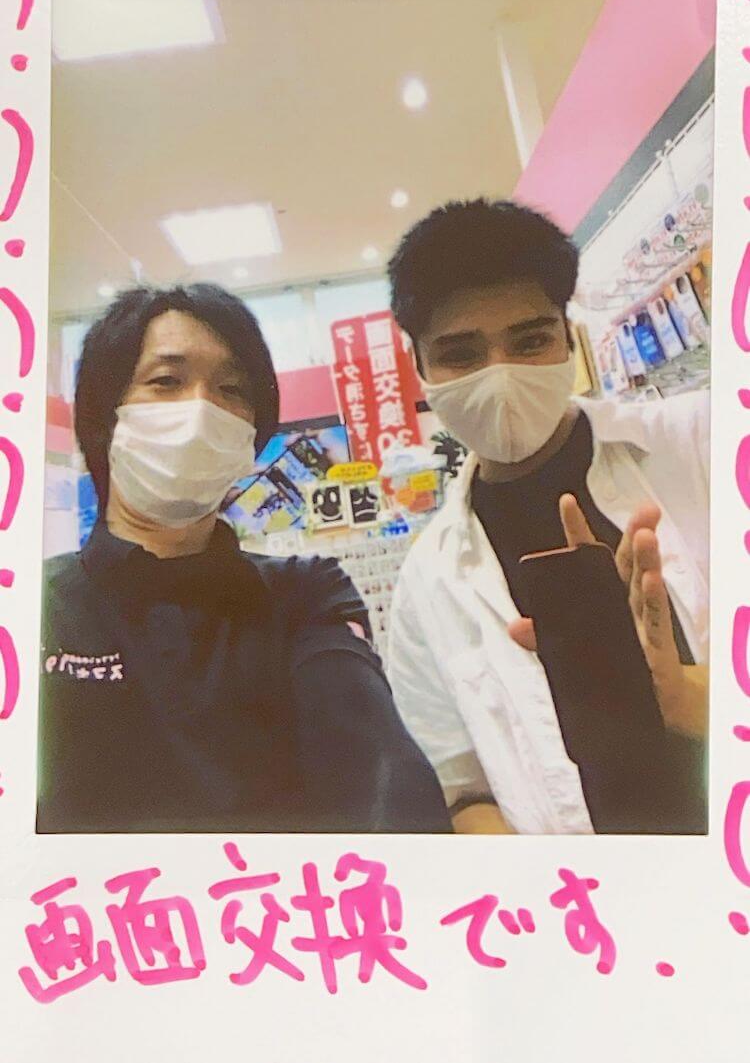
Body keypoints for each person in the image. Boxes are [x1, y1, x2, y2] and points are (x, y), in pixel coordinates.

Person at [39, 283, 451, 835]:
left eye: (232, 389)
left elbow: (376, 768)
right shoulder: (34, 610)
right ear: (103, 415)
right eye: (166, 381)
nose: (203, 407)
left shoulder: (305, 592)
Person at [386, 198, 708, 836]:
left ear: (568, 336)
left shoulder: (704, 444)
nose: (500, 377)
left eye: (530, 341)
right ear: (420, 365)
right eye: (460, 353)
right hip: (582, 890)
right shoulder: (425, 587)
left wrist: (686, 698)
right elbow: (462, 787)